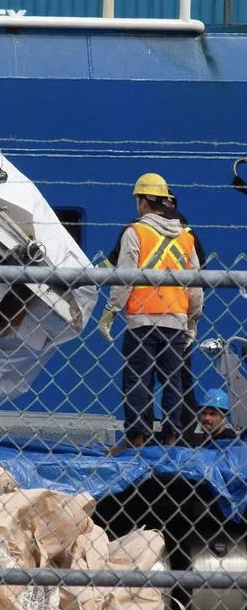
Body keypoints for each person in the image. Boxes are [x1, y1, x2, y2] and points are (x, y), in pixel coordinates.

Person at [97, 173, 203, 448]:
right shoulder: (186, 238)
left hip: (142, 321)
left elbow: (125, 277)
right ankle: (171, 437)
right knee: (174, 381)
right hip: (176, 321)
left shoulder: (135, 232)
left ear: (143, 202)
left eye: (137, 199)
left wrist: (110, 313)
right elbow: (196, 285)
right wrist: (193, 320)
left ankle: (138, 438)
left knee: (137, 380)